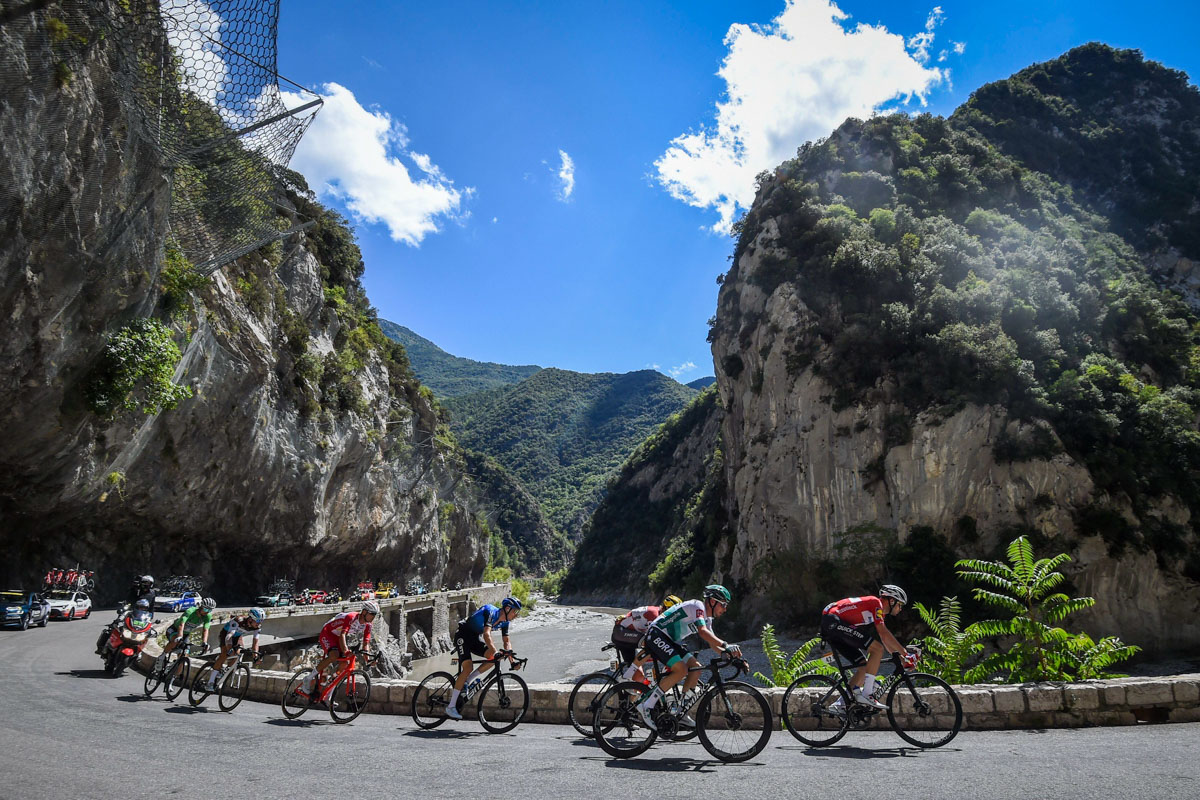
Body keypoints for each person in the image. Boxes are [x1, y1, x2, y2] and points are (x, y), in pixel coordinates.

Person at [637, 585, 741, 730]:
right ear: (712, 601)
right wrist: (726, 644)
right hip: (656, 634)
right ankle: (647, 705)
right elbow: (703, 632)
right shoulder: (697, 606)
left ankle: (680, 710)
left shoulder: (707, 618)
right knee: (681, 670)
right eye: (723, 604)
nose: (725, 609)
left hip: (669, 640)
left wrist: (734, 658)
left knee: (695, 668)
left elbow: (712, 644)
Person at [821, 584, 915, 709]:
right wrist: (905, 653)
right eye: (900, 605)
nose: (900, 609)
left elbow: (884, 639)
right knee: (877, 648)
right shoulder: (876, 603)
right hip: (833, 621)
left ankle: (840, 705)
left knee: (864, 666)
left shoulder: (880, 611)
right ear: (892, 601)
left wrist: (900, 657)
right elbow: (883, 633)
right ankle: (867, 694)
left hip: (833, 625)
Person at [446, 596, 521, 720]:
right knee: (468, 667)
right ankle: (451, 706)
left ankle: (467, 681)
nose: (516, 615)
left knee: (494, 658)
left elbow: (506, 641)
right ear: (507, 609)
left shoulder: (505, 622)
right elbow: (487, 634)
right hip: (463, 635)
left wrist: (512, 662)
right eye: (515, 611)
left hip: (475, 638)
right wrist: (495, 651)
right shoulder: (491, 612)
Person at [300, 600, 380, 695]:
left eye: (375, 615)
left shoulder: (368, 625)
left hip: (337, 637)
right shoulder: (351, 617)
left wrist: (368, 660)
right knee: (334, 655)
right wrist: (346, 651)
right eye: (372, 614)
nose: (373, 617)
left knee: (344, 664)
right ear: (364, 612)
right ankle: (308, 678)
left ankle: (327, 692)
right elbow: (343, 635)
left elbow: (365, 644)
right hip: (328, 632)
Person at [611, 595, 681, 683]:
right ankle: (626, 677)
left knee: (639, 678)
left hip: (631, 636)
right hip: (621, 633)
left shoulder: (661, 616)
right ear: (665, 609)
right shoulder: (654, 614)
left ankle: (629, 689)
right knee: (650, 643)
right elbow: (654, 638)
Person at [206, 606, 265, 690]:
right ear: (251, 619)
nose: (259, 623)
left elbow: (255, 641)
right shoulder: (238, 620)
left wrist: (255, 656)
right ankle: (210, 682)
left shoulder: (257, 627)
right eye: (258, 621)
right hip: (226, 635)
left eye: (261, 621)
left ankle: (225, 670)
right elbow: (229, 637)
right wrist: (229, 648)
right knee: (225, 654)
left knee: (238, 654)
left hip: (237, 637)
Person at [96, 575, 156, 654]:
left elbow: (151, 606)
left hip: (142, 615)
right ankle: (101, 647)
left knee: (145, 633)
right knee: (113, 627)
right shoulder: (136, 590)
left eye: (148, 583)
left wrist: (150, 616)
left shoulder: (152, 593)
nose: (145, 585)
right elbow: (129, 599)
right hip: (131, 610)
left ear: (151, 584)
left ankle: (138, 653)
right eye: (144, 583)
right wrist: (133, 589)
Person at [154, 597, 216, 671]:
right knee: (175, 641)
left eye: (210, 610)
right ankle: (162, 656)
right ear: (201, 607)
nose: (207, 612)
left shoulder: (207, 616)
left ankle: (173, 676)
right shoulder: (190, 611)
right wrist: (180, 636)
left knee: (184, 655)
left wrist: (205, 642)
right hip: (174, 630)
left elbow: (205, 630)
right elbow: (181, 624)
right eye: (206, 609)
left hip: (186, 634)